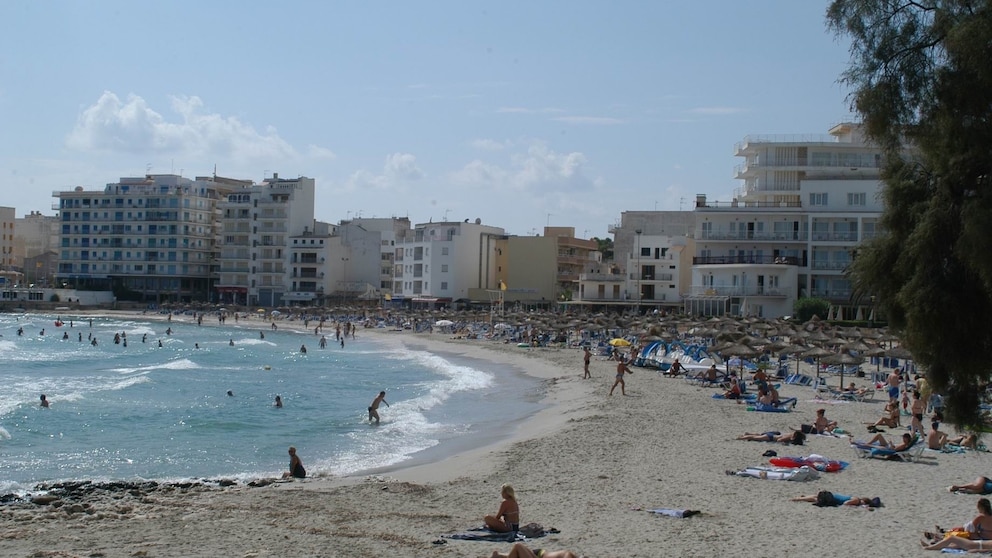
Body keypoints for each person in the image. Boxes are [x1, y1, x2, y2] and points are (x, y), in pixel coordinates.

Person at [923, 498, 992, 549]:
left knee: (960, 533)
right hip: (984, 538)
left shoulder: (981, 517)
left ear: (981, 507)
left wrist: (975, 533)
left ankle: (939, 537)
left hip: (980, 538)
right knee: (961, 531)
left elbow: (971, 529)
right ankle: (940, 535)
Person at [791, 492, 882, 508]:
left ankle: (802, 498)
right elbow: (846, 503)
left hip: (834, 496)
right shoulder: (857, 501)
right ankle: (799, 499)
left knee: (816, 497)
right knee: (816, 498)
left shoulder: (856, 498)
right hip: (834, 499)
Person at [490, 543, 577, 558]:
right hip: (539, 554)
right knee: (518, 547)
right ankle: (499, 555)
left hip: (538, 554)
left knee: (518, 547)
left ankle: (499, 555)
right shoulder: (568, 555)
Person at [737, 431, 805, 445]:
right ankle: (741, 438)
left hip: (771, 435)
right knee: (754, 438)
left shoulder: (790, 434)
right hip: (771, 437)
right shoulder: (789, 437)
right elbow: (779, 440)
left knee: (758, 435)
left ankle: (747, 433)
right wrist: (785, 443)